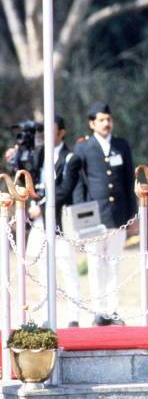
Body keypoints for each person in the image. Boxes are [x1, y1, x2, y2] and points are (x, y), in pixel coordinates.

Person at [6, 115, 81, 327]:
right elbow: (24, 179)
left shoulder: (70, 157)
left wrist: (41, 205)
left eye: (51, 130)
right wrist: (15, 160)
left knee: (68, 270)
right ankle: (48, 316)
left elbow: (65, 190)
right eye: (43, 131)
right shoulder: (38, 155)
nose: (45, 135)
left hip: (60, 223)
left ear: (61, 132)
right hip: (39, 224)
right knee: (42, 271)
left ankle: (73, 317)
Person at [74, 102, 136, 326]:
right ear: (92, 123)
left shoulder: (121, 145)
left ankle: (112, 310)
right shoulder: (83, 148)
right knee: (95, 263)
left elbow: (129, 180)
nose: (106, 123)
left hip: (118, 215)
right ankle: (98, 311)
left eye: (108, 119)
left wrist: (132, 215)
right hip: (94, 216)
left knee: (113, 263)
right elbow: (79, 184)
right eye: (101, 120)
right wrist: (81, 215)